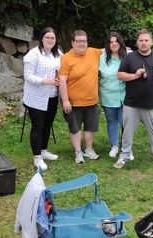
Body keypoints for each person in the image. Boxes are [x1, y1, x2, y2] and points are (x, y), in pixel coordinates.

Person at [113, 29, 153, 169]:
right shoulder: (130, 57)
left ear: (151, 42)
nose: (144, 43)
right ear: (137, 42)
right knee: (127, 132)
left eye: (146, 40)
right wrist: (135, 75)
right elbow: (120, 75)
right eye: (141, 40)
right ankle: (124, 156)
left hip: (152, 105)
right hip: (132, 104)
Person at [58, 30, 103, 164]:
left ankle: (88, 149)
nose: (81, 44)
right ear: (73, 43)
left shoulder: (93, 52)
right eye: (78, 41)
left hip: (91, 101)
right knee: (75, 128)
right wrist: (65, 100)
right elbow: (62, 81)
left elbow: (110, 49)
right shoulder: (66, 58)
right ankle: (78, 152)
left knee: (90, 127)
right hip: (73, 102)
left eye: (84, 41)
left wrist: (128, 50)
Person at [22, 27, 62, 171]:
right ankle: (37, 158)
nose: (50, 40)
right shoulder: (33, 55)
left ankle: (44, 150)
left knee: (47, 124)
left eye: (53, 38)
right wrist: (46, 81)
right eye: (47, 37)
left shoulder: (57, 54)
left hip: (52, 96)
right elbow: (28, 76)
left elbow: (67, 63)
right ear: (42, 39)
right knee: (38, 126)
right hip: (36, 98)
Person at [98, 32, 128, 158]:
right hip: (107, 96)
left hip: (125, 96)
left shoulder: (127, 56)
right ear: (108, 45)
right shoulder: (102, 57)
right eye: (111, 42)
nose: (114, 44)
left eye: (116, 41)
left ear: (120, 43)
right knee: (112, 121)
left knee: (125, 122)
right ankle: (114, 146)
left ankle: (127, 148)